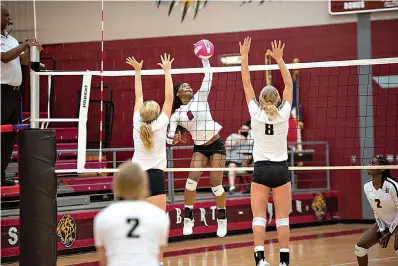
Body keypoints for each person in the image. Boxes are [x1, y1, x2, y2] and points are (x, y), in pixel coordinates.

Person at [240, 37, 293, 266]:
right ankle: (284, 262)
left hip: (261, 170)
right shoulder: (284, 114)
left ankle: (260, 259)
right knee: (282, 219)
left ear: (260, 100)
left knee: (259, 217)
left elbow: (246, 83)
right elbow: (290, 85)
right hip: (280, 170)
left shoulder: (256, 114)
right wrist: (280, 60)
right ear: (279, 99)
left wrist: (243, 57)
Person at [166, 58, 227, 238]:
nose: (188, 87)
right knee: (191, 181)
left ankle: (222, 218)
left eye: (189, 86)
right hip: (200, 147)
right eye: (183, 87)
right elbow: (169, 138)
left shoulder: (201, 96)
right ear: (177, 94)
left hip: (216, 145)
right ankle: (188, 218)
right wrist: (173, 139)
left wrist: (205, 59)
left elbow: (208, 75)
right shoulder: (176, 115)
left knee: (215, 184)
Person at [126, 53, 174, 266]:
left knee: (137, 226)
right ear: (156, 114)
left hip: (136, 178)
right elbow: (170, 98)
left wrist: (137, 71)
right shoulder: (161, 123)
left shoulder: (137, 122)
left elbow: (138, 97)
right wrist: (167, 71)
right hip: (154, 177)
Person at [94, 160, 169, 266]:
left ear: (116, 185)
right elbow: (157, 256)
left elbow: (104, 261)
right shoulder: (159, 217)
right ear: (144, 186)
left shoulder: (103, 218)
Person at [1, 4, 41, 186]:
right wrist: (23, 45)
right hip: (2, 92)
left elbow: (21, 60)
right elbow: (5, 57)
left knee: (9, 136)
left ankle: (1, 175)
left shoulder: (11, 39)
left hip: (14, 93)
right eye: (6, 14)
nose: (9, 18)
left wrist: (32, 50)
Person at [355, 155, 398, 265]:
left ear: (382, 168)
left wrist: (389, 233)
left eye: (373, 163)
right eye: (369, 163)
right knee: (359, 248)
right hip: (384, 222)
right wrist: (383, 231)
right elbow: (376, 211)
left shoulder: (393, 185)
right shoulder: (367, 187)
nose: (369, 165)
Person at [225, 123, 253, 194]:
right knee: (232, 166)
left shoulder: (249, 141)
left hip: (244, 163)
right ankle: (232, 187)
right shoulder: (233, 136)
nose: (244, 131)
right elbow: (228, 147)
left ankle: (251, 187)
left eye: (247, 130)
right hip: (231, 162)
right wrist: (238, 138)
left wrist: (247, 162)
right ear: (239, 130)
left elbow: (249, 154)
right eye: (243, 130)